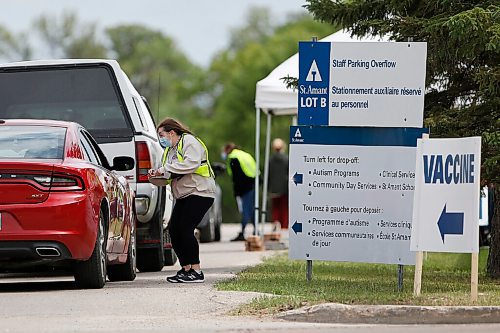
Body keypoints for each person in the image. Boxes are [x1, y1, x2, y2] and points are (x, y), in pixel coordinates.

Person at [149, 118, 215, 283]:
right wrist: (155, 177)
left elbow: (190, 164)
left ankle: (196, 270)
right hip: (184, 194)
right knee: (174, 230)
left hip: (200, 192)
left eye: (161, 134)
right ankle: (186, 268)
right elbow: (168, 176)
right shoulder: (170, 151)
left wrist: (164, 169)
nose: (160, 139)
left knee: (185, 228)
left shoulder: (189, 141)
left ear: (172, 132)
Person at [222, 143, 256, 241]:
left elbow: (237, 177)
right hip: (252, 184)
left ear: (228, 149)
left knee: (245, 210)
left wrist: (237, 192)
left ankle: (243, 232)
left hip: (244, 187)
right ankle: (256, 230)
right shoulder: (244, 155)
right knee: (251, 209)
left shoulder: (233, 158)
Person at [268, 138, 289, 229]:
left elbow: (268, 175)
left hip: (274, 188)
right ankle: (284, 227)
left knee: (275, 209)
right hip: (284, 188)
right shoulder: (287, 159)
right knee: (284, 209)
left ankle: (276, 226)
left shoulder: (270, 160)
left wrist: (268, 188)